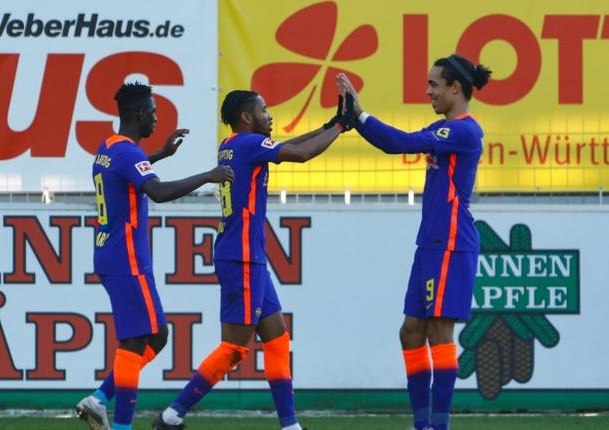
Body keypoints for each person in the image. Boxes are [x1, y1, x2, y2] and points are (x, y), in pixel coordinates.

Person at [152, 90, 356, 430]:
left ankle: (290, 425)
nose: (270, 115)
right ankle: (171, 416)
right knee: (233, 348)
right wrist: (340, 128)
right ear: (247, 117)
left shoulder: (233, 144)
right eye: (264, 109)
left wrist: (333, 125)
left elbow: (290, 145)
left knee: (277, 337)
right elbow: (302, 154)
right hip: (242, 257)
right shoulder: (247, 145)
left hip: (246, 255)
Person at [337, 54, 492, 430]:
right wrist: (354, 120)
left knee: (440, 333)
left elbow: (400, 144)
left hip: (451, 244)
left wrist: (360, 115)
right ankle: (422, 424)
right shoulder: (445, 129)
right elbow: (395, 143)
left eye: (434, 84)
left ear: (455, 87)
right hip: (431, 245)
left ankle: (437, 426)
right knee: (410, 332)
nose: (428, 92)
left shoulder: (465, 130)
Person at [76, 81, 235, 430]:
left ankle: (100, 398)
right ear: (138, 114)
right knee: (135, 341)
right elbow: (159, 192)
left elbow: (128, 174)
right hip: (126, 258)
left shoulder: (110, 148)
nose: (156, 119)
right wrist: (208, 176)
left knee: (158, 335)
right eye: (153, 112)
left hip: (112, 254)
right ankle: (119, 425)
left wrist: (160, 154)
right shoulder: (128, 153)